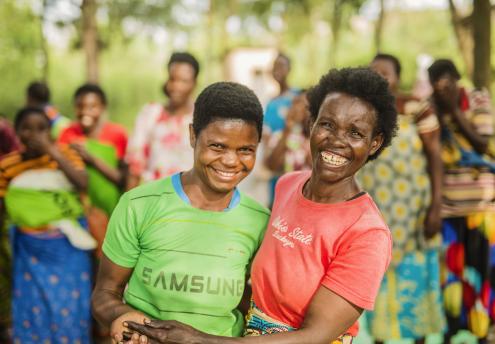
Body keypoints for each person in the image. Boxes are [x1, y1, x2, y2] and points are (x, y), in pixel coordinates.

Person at [125, 67, 398, 344]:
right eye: (327, 124)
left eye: (355, 133)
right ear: (312, 123)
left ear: (375, 143)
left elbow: (315, 336)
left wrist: (199, 339)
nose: (337, 140)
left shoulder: (367, 233)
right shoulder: (289, 185)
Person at [91, 82, 270, 343]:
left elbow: (249, 301)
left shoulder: (259, 221)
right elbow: (105, 293)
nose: (231, 161)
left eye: (245, 150)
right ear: (193, 136)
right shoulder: (139, 205)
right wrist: (128, 318)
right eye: (217, 146)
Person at [361, 53, 445, 344]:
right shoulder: (362, 111)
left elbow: (435, 156)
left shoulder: (416, 107)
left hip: (414, 213)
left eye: (386, 72)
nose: (380, 77)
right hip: (377, 212)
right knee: (377, 278)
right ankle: (380, 339)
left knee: (416, 278)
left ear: (398, 76)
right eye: (374, 72)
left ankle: (419, 339)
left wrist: (436, 205)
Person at [0, 107, 94, 343]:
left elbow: (82, 182)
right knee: (32, 304)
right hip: (29, 251)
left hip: (69, 248)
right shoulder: (7, 165)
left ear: (51, 133)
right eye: (27, 129)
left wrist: (53, 152)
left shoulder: (66, 156)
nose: (34, 135)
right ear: (17, 133)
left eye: (41, 129)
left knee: (70, 306)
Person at [428, 59, 495, 343]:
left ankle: (485, 330)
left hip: (482, 207)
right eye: (438, 86)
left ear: (458, 80)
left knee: (484, 273)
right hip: (449, 209)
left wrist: (455, 110)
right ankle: (452, 328)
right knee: (451, 275)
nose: (444, 89)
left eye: (449, 83)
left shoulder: (479, 100)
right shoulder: (432, 109)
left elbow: (483, 143)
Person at [59, 83, 128, 255]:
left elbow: (122, 179)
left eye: (92, 107)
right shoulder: (68, 134)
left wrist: (91, 159)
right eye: (80, 106)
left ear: (103, 107)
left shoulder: (117, 134)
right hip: (77, 211)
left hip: (110, 211)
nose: (85, 112)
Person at [126, 52, 199, 189]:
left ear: (194, 83)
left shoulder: (201, 117)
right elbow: (135, 163)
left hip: (190, 200)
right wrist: (128, 204)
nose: (176, 86)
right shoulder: (150, 113)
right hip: (153, 197)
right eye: (172, 79)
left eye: (183, 81)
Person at [263, 53, 300, 206]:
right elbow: (266, 135)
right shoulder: (271, 102)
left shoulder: (298, 97)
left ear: (289, 69)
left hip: (296, 164)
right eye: (275, 66)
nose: (277, 70)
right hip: (276, 165)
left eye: (282, 66)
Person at [264, 90, 311, 174]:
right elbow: (271, 165)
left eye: (306, 106)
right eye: (297, 103)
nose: (299, 108)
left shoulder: (317, 139)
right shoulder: (279, 135)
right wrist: (287, 129)